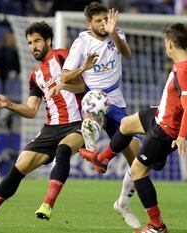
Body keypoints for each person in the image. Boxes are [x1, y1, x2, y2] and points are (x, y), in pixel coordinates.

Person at [83, 23, 187, 233]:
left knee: (138, 172)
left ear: (169, 44)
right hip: (161, 114)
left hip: (168, 129)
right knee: (126, 124)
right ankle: (102, 160)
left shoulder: (185, 70)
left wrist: (183, 136)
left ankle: (157, 226)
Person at [0, 21, 86, 228]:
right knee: (19, 167)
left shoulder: (63, 55)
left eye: (37, 40)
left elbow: (82, 85)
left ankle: (47, 204)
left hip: (78, 123)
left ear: (47, 41)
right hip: (51, 127)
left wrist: (62, 84)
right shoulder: (35, 76)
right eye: (29, 42)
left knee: (63, 150)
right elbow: (31, 110)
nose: (33, 46)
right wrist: (8, 104)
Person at [53, 1, 141, 229]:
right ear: (89, 23)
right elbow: (64, 77)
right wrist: (83, 67)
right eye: (99, 21)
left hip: (116, 100)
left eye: (105, 19)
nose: (103, 24)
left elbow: (128, 54)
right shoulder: (81, 42)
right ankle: (92, 151)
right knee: (93, 117)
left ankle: (123, 202)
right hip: (94, 98)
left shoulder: (116, 34)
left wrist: (114, 34)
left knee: (138, 158)